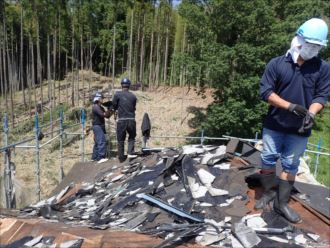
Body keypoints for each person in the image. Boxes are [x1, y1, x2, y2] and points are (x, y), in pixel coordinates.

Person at [259, 18, 330, 223]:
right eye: (310, 44)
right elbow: (266, 92)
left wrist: (312, 113)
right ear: (298, 39)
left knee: (291, 164)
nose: (312, 49)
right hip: (274, 124)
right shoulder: (277, 64)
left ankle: (281, 204)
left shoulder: (322, 68)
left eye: (317, 46)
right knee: (268, 158)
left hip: (299, 128)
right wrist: (289, 106)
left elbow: (321, 95)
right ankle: (269, 193)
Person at [112, 77, 137, 162]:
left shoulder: (117, 94)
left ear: (122, 85)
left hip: (122, 120)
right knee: (132, 137)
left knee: (120, 139)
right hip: (131, 119)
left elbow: (114, 106)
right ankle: (130, 153)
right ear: (129, 86)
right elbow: (133, 108)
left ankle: (121, 157)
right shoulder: (133, 96)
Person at [91, 92, 111, 163]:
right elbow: (103, 115)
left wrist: (110, 109)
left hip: (100, 126)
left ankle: (94, 157)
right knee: (101, 141)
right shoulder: (95, 107)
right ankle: (101, 157)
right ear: (98, 98)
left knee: (97, 142)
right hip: (97, 126)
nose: (102, 99)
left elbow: (107, 116)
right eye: (101, 98)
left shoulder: (100, 107)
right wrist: (108, 110)